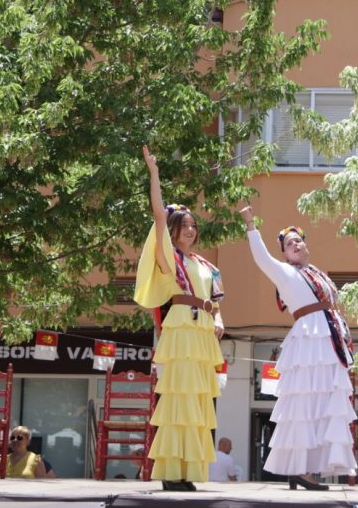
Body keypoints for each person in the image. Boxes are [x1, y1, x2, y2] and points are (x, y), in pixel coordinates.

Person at [240, 206, 357, 491]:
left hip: (328, 337)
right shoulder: (284, 272)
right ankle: (300, 470)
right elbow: (260, 258)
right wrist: (251, 224)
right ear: (284, 253)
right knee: (305, 404)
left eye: (298, 240)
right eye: (289, 243)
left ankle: (306, 470)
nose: (295, 244)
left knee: (324, 404)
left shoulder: (316, 273)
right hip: (309, 337)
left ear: (306, 246)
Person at [133, 146, 225, 492]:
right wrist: (154, 174)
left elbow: (216, 298)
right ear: (173, 229)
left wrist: (219, 319)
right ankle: (171, 470)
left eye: (193, 225)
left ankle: (188, 471)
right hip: (180, 330)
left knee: (198, 403)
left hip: (201, 333)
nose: (191, 229)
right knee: (177, 400)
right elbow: (158, 215)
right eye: (184, 225)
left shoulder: (206, 265)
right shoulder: (168, 256)